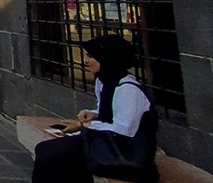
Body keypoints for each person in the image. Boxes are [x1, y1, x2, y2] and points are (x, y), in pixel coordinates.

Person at [32, 35, 158, 183]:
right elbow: (111, 109)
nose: (85, 60)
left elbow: (124, 130)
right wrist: (94, 114)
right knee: (48, 151)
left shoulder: (128, 90)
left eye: (91, 56)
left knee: (50, 154)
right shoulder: (104, 81)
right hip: (106, 141)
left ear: (108, 58)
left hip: (125, 153)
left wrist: (85, 126)